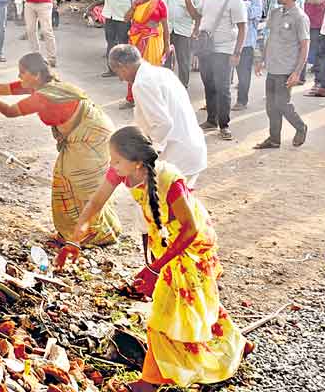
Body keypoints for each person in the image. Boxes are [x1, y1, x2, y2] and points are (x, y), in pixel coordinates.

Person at [56, 127, 249, 391]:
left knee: (162, 315)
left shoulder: (170, 180)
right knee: (200, 301)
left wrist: (154, 269)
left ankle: (149, 382)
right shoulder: (122, 173)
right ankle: (236, 342)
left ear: (137, 163)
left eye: (116, 160)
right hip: (166, 244)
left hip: (190, 247)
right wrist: (73, 240)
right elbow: (95, 204)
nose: (111, 166)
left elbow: (190, 229)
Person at [0, 53, 123, 246]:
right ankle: (81, 230)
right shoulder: (40, 87)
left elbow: (8, 111)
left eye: (22, 73)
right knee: (67, 179)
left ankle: (95, 233)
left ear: (36, 75)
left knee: (80, 182)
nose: (19, 77)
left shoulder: (44, 96)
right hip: (86, 135)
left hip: (92, 138)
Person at [108, 46, 208, 186]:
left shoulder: (142, 84)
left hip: (177, 156)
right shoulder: (163, 72)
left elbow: (163, 124)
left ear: (122, 67)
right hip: (192, 149)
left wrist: (146, 156)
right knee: (180, 203)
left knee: (163, 204)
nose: (120, 78)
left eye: (118, 73)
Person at [253, 0, 310, 149]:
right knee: (271, 106)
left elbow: (305, 45)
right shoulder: (276, 13)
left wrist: (297, 72)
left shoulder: (299, 17)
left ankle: (300, 127)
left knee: (282, 103)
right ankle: (274, 139)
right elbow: (269, 38)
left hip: (286, 68)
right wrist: (261, 59)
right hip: (273, 66)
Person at [194, 0, 247, 141]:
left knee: (223, 89)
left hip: (224, 50)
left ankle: (224, 125)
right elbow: (196, 14)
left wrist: (237, 53)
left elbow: (242, 28)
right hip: (206, 49)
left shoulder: (234, 0)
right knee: (209, 85)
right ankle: (211, 120)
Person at [123, 0, 169, 108]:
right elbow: (126, 18)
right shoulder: (137, 4)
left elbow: (165, 26)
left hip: (153, 41)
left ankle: (150, 101)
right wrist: (134, 5)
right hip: (136, 40)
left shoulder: (159, 4)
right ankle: (132, 98)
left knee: (150, 71)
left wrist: (167, 45)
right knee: (133, 68)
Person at [160, 0, 201, 87]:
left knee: (183, 61)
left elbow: (197, 15)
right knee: (165, 59)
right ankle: (167, 86)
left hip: (184, 31)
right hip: (167, 29)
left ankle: (183, 86)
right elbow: (161, 8)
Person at [96, 0, 138, 74]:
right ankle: (112, 69)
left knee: (123, 44)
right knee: (110, 43)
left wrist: (131, 15)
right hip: (110, 17)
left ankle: (125, 70)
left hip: (123, 18)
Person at [233, 0, 263, 110]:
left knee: (243, 74)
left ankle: (242, 101)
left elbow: (248, 15)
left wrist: (240, 3)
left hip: (246, 43)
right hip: (231, 41)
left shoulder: (256, 2)